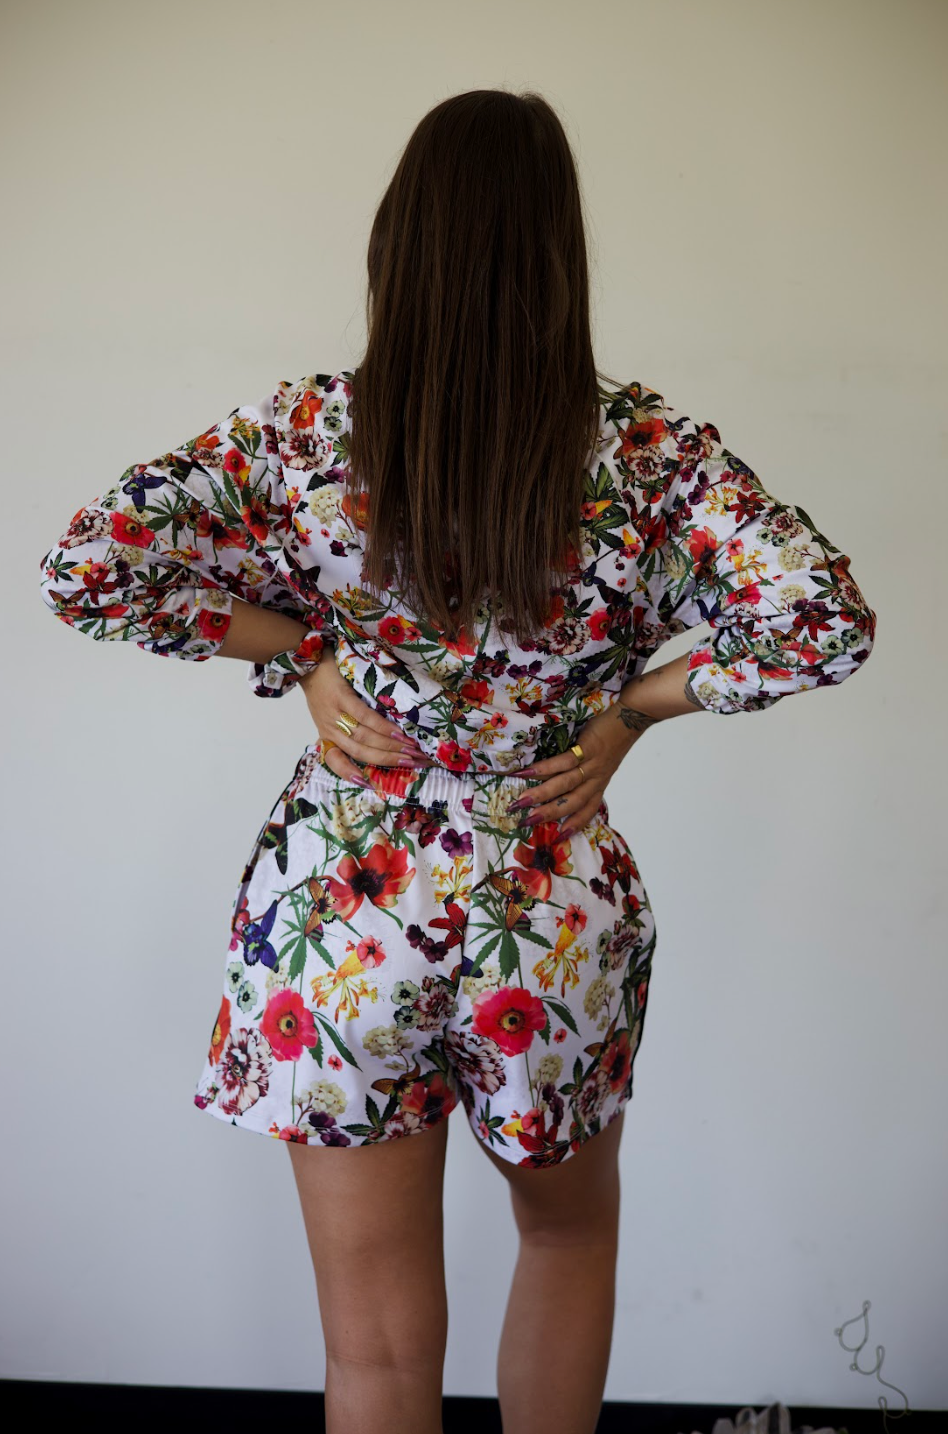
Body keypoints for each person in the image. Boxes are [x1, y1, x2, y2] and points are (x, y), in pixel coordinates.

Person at [37, 88, 876, 1434]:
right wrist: (632, 711)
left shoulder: (306, 434)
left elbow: (87, 567)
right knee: (567, 1239)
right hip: (549, 910)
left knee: (370, 1347)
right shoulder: (645, 451)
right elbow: (822, 620)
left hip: (343, 914)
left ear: (397, 245)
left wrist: (305, 652)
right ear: (560, 256)